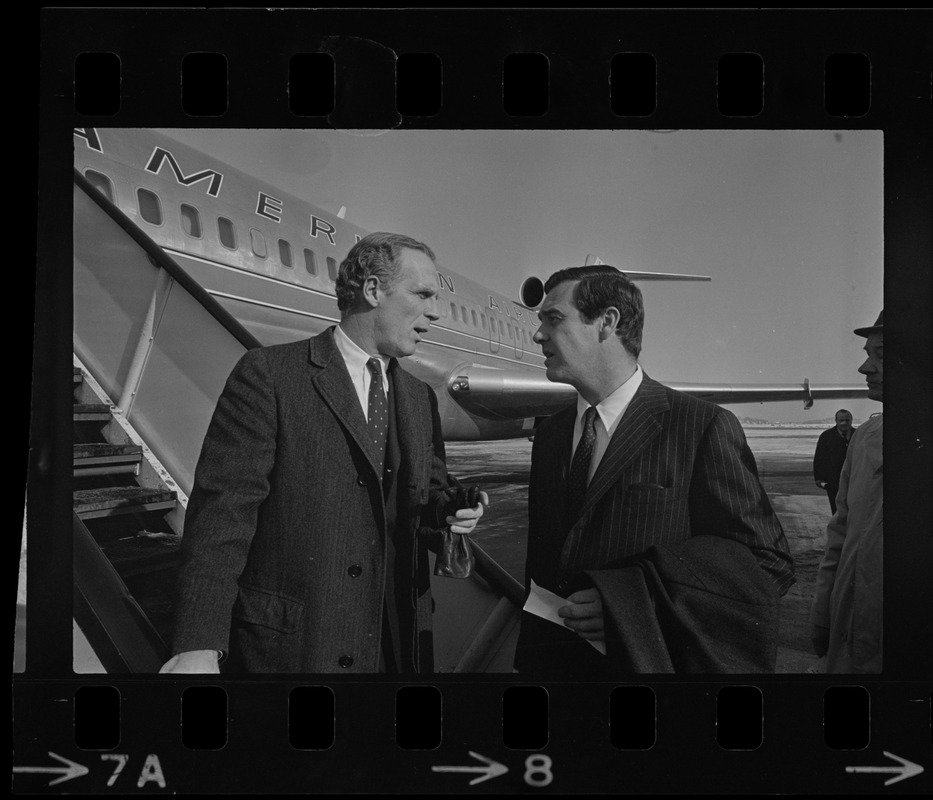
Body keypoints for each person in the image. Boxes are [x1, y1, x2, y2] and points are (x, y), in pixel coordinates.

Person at [161, 232, 487, 674]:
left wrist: (448, 510)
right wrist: (198, 643)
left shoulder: (417, 398)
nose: (436, 311)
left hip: (398, 642)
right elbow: (222, 516)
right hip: (299, 649)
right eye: (423, 294)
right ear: (373, 290)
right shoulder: (270, 376)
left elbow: (420, 498)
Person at [514, 265, 795, 676]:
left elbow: (766, 564)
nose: (538, 335)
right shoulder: (553, 434)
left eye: (553, 319)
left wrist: (633, 607)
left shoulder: (700, 427)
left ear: (607, 323)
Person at [810, 311, 883, 673]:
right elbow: (839, 535)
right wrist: (824, 612)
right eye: (868, 353)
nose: (864, 368)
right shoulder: (864, 438)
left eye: (880, 355)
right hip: (851, 643)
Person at [813, 409, 856, 513]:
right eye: (841, 420)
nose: (844, 423)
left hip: (854, 480)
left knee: (854, 510)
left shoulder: (858, 435)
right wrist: (819, 478)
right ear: (836, 421)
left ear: (851, 420)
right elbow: (819, 458)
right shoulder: (826, 436)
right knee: (836, 510)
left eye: (847, 420)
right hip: (833, 480)